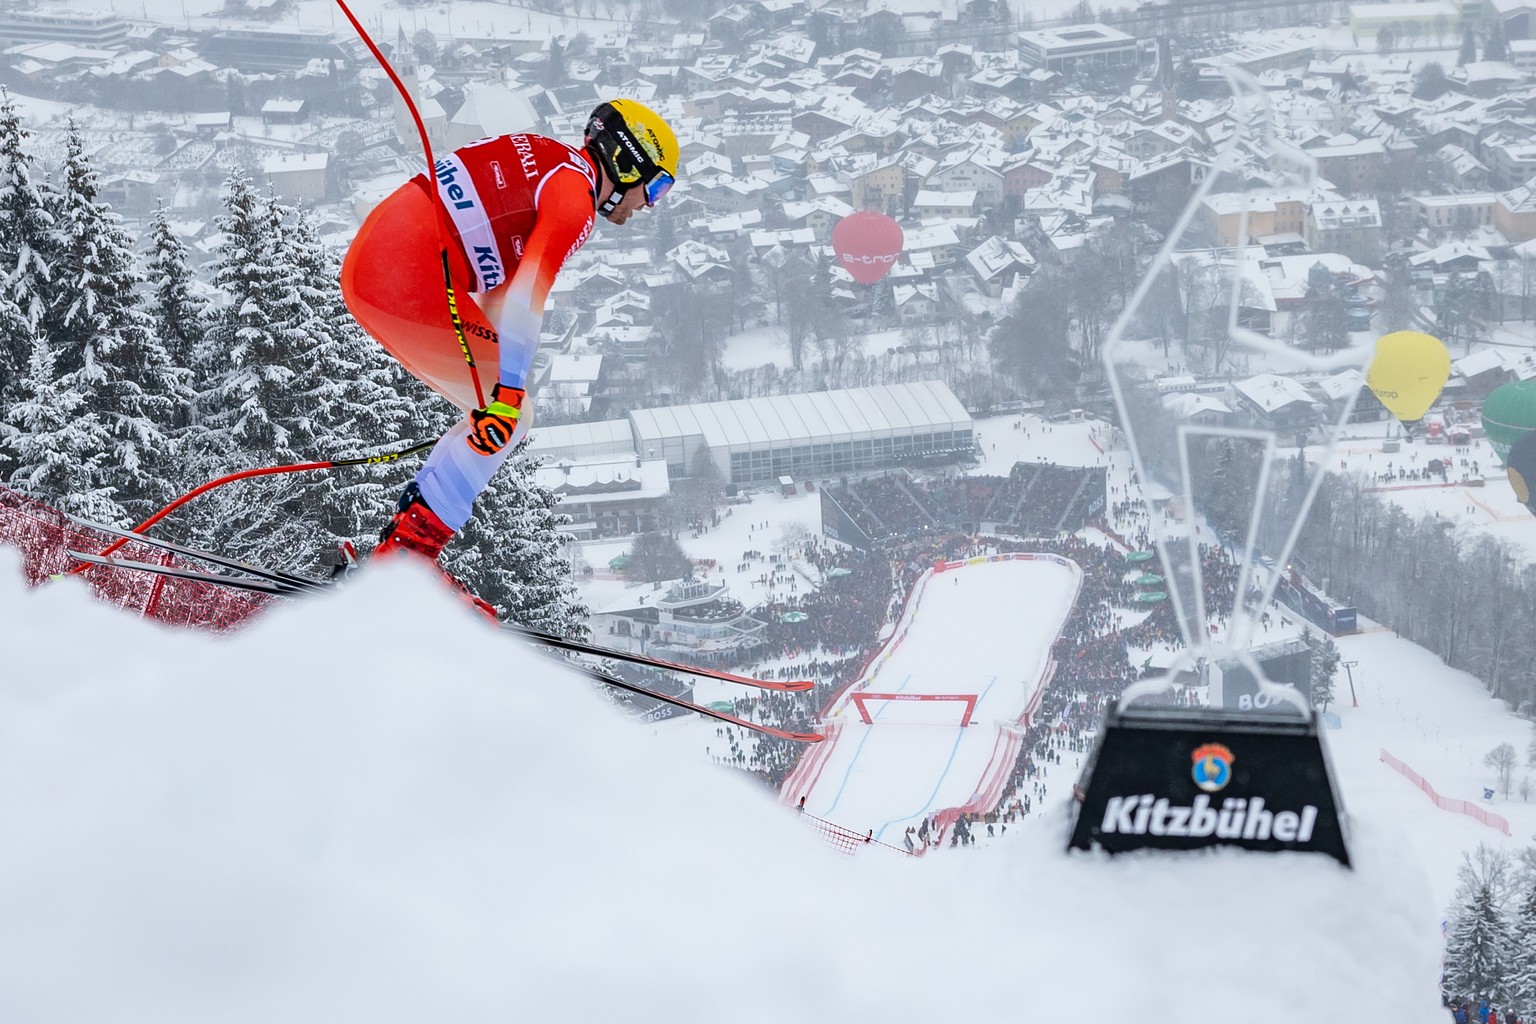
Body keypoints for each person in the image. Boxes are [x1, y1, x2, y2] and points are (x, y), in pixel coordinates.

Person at [341, 99, 680, 562]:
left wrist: (503, 390)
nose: (650, 205)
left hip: (386, 261)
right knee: (509, 415)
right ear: (626, 162)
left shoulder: (550, 160)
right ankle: (407, 553)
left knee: (496, 411)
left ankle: (406, 537)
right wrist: (510, 392)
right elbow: (525, 297)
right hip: (405, 276)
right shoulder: (574, 198)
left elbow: (497, 295)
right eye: (657, 186)